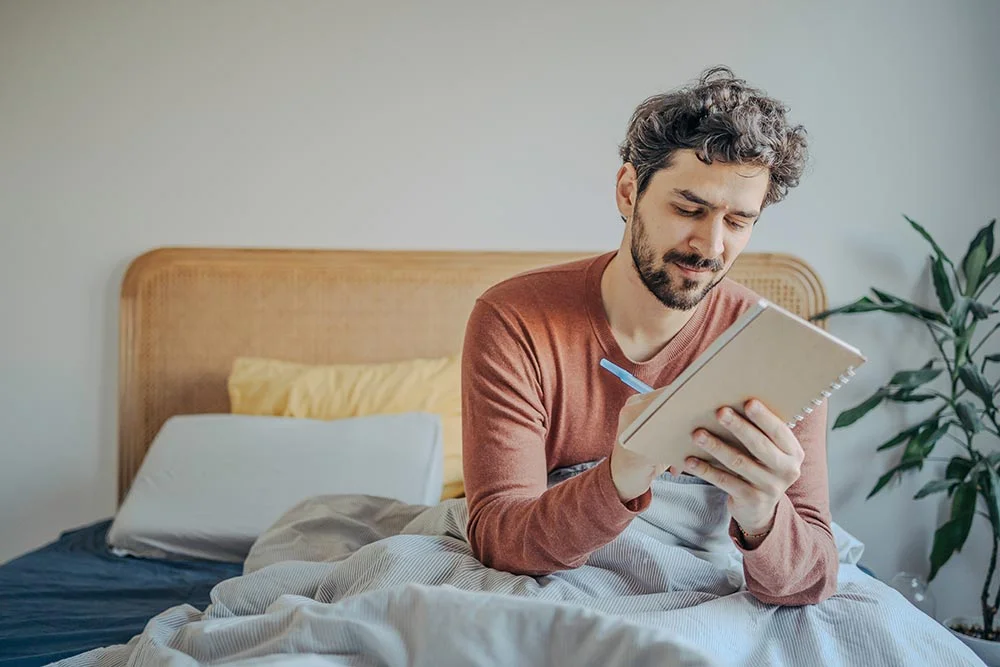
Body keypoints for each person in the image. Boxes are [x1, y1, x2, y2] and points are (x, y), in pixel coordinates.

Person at [460, 65, 838, 606]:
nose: (710, 246)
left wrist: (761, 517)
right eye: (689, 209)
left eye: (738, 222)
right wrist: (622, 472)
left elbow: (816, 577)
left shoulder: (779, 350)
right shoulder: (515, 320)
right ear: (627, 190)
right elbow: (501, 537)